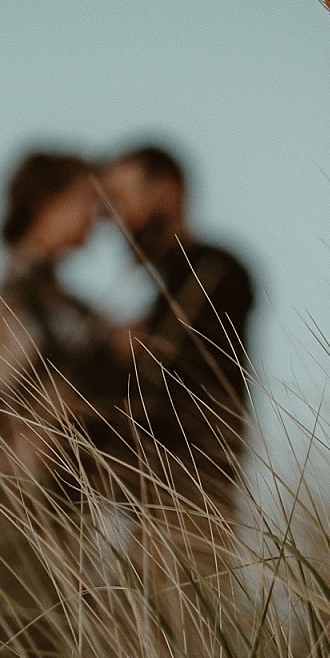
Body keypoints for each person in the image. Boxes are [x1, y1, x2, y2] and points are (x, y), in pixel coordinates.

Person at [93, 144, 255, 517]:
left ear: (167, 191)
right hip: (153, 497)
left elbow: (179, 380)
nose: (111, 219)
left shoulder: (213, 272)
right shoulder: (169, 285)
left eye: (120, 200)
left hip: (187, 495)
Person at [0, 151, 116, 490]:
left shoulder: (49, 293)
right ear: (49, 204)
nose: (96, 217)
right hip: (11, 475)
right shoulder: (21, 291)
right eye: (87, 201)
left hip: (27, 473)